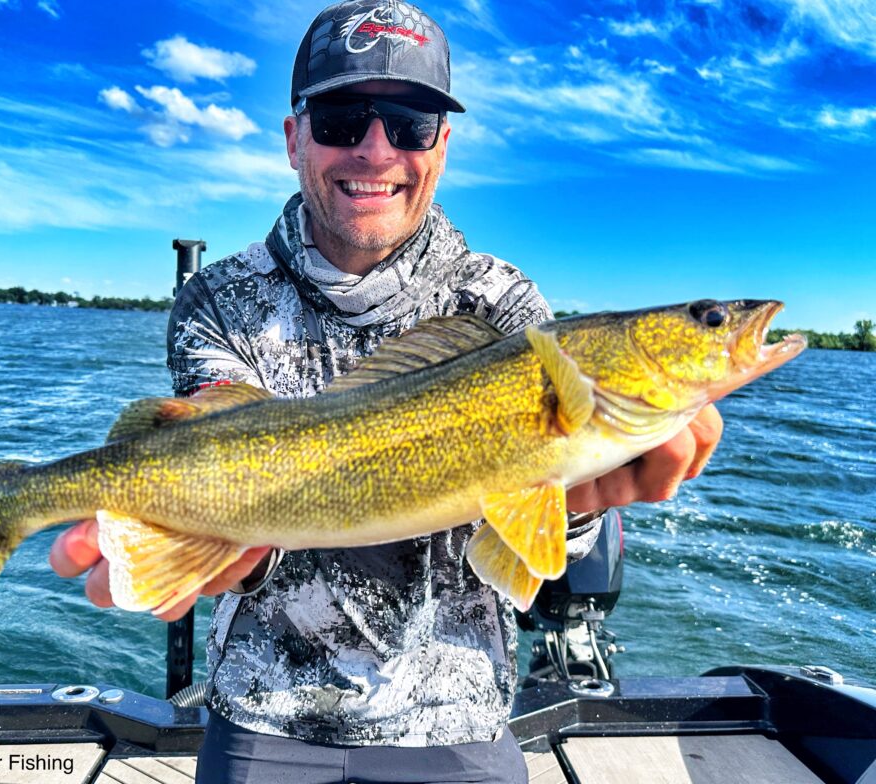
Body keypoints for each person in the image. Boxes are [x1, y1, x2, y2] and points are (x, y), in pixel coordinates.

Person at [50, 2, 723, 781]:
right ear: (294, 135)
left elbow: (533, 548)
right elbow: (218, 438)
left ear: (442, 146)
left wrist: (586, 505)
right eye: (342, 117)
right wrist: (207, 544)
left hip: (458, 714)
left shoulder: (505, 309)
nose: (376, 149)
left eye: (410, 124)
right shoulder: (218, 298)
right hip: (262, 714)